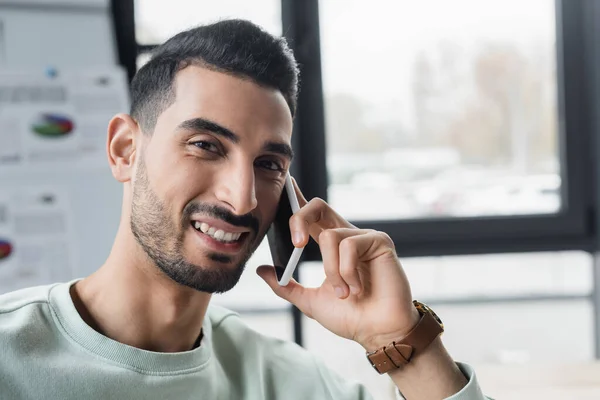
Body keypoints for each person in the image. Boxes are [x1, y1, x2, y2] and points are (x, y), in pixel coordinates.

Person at [0, 20, 488, 400]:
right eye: (206, 145)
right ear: (126, 150)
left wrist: (403, 342)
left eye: (268, 164)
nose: (243, 199)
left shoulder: (287, 381)